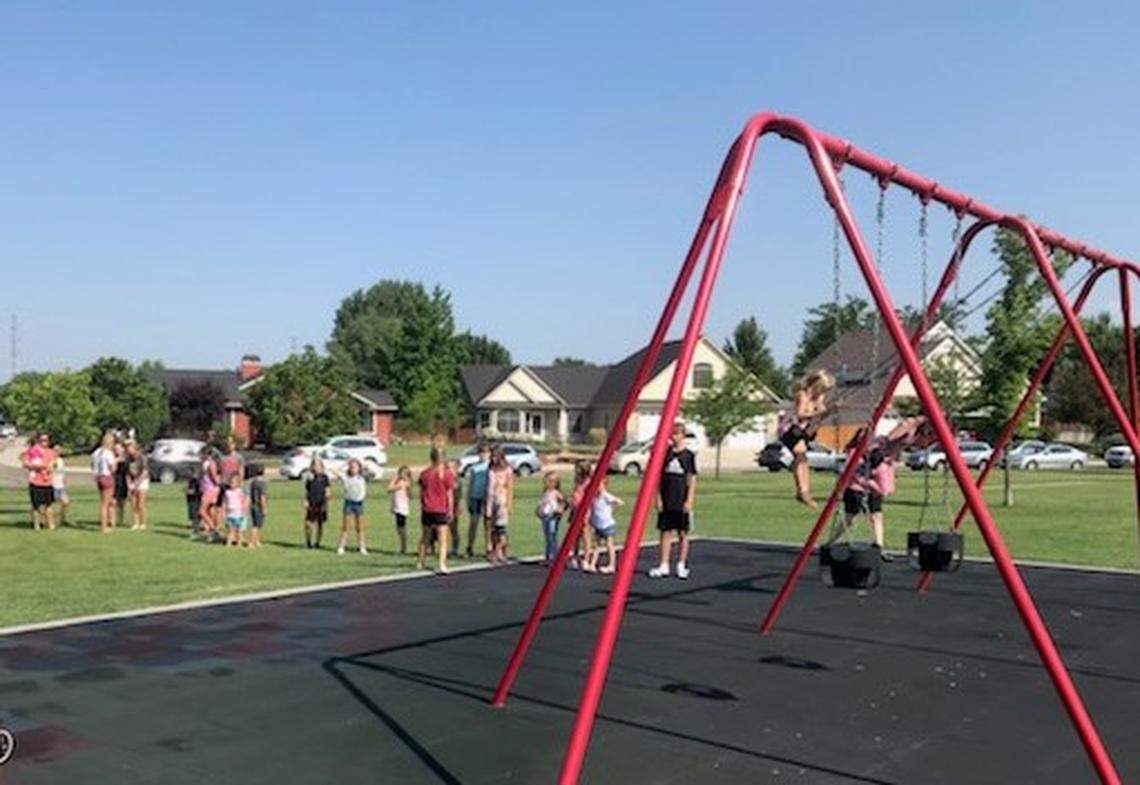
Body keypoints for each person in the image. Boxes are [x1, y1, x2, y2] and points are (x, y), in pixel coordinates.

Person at [834, 416, 929, 561]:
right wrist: (917, 421)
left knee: (876, 515)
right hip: (859, 480)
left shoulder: (908, 436)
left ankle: (879, 547)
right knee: (850, 516)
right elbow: (892, 436)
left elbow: (913, 441)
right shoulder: (860, 451)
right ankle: (831, 542)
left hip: (875, 481)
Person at [778, 370, 836, 508]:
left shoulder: (817, 398)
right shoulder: (802, 395)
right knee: (800, 455)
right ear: (816, 385)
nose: (823, 393)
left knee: (803, 458)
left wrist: (828, 412)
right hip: (790, 429)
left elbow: (820, 415)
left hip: (802, 430)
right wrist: (819, 412)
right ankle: (802, 491)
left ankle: (804, 491)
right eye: (822, 389)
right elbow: (800, 415)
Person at [649, 422, 698, 580]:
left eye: (678, 434)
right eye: (673, 434)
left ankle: (681, 564)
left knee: (683, 532)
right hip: (667, 497)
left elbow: (692, 478)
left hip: (681, 498)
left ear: (683, 435)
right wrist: (658, 497)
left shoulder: (688, 455)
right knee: (665, 532)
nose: (675, 437)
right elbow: (657, 477)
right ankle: (664, 564)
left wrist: (689, 499)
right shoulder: (665, 454)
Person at [417, 447, 455, 573]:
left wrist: (423, 504)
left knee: (425, 537)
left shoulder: (425, 473)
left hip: (428, 508)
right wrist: (450, 510)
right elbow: (449, 493)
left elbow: (421, 492)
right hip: (440, 509)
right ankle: (441, 564)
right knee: (442, 539)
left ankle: (421, 561)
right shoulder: (447, 474)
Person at [585, 476, 621, 574]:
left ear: (604, 486)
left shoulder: (605, 496)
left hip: (608, 524)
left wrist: (612, 507)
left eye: (599, 485)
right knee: (596, 545)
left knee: (609, 544)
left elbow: (618, 502)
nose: (597, 487)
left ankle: (611, 565)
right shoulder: (594, 497)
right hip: (597, 525)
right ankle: (592, 564)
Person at [485, 447, 514, 565]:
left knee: (501, 529)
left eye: (495, 456)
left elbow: (510, 487)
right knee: (493, 529)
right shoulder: (491, 469)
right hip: (491, 500)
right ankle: (493, 550)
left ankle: (499, 551)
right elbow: (488, 488)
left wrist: (509, 503)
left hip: (502, 500)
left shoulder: (507, 470)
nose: (493, 458)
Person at [21, 433, 56, 530]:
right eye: (41, 440)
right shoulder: (32, 451)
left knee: (49, 505)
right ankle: (37, 525)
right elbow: (25, 463)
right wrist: (37, 466)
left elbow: (52, 464)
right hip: (35, 482)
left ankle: (50, 524)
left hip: (47, 482)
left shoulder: (51, 452)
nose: (43, 442)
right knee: (36, 505)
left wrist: (49, 467)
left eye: (45, 440)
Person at [336, 459, 369, 556]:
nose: (353, 469)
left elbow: (375, 472)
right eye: (351, 467)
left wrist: (363, 463)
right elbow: (335, 471)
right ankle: (342, 546)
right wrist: (344, 464)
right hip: (349, 503)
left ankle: (362, 546)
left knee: (360, 527)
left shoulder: (362, 478)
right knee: (345, 526)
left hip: (359, 503)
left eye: (355, 467)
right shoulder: (346, 478)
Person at [464, 444, 491, 558]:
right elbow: (470, 484)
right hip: (475, 497)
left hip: (487, 497)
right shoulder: (474, 467)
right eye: (481, 452)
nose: (483, 455)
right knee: (473, 523)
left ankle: (488, 547)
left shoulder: (490, 467)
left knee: (488, 524)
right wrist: (468, 498)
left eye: (485, 452)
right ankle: (470, 546)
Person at [535, 470, 566, 565]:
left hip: (553, 516)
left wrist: (560, 509)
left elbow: (564, 502)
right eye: (547, 481)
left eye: (551, 481)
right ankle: (548, 556)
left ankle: (555, 557)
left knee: (552, 536)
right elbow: (541, 504)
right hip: (545, 517)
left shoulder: (556, 493)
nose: (548, 483)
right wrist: (538, 510)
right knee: (547, 537)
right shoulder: (545, 493)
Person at [567, 460, 593, 570]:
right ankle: (575, 557)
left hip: (584, 510)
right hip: (575, 509)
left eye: (577, 469)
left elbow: (590, 496)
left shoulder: (589, 482)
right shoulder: (577, 480)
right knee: (575, 535)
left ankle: (586, 559)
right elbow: (575, 494)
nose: (575, 471)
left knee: (585, 534)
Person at [91, 432, 118, 534]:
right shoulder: (108, 453)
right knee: (105, 504)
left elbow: (92, 465)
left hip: (99, 477)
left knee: (110, 501)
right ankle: (103, 527)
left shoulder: (96, 453)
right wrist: (116, 461)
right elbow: (113, 468)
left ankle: (112, 523)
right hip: (107, 476)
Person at [303, 456, 331, 549]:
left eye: (318, 465)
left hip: (321, 503)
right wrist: (306, 501)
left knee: (320, 524)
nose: (316, 467)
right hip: (312, 503)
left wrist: (326, 502)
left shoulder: (324, 477)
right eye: (314, 465)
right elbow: (307, 491)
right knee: (308, 523)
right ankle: (308, 541)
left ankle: (318, 542)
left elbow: (328, 490)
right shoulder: (310, 477)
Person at [126, 441, 150, 531]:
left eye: (129, 448)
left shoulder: (142, 457)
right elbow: (127, 473)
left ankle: (143, 523)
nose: (128, 451)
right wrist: (129, 484)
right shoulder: (128, 459)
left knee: (140, 503)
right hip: (133, 480)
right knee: (133, 503)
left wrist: (137, 484)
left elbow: (144, 472)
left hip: (142, 481)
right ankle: (135, 523)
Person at [197, 447, 221, 538]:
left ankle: (213, 529)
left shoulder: (211, 464)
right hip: (206, 489)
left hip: (210, 489)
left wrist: (218, 484)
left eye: (202, 454)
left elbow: (214, 477)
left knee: (201, 510)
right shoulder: (204, 464)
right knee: (209, 510)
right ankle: (209, 529)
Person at [387, 465, 412, 554]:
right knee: (399, 528)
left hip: (402, 508)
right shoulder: (400, 482)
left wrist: (397, 482)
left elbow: (390, 488)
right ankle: (403, 546)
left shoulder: (403, 483)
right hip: (397, 507)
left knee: (401, 528)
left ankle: (403, 547)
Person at [222, 474, 248, 548]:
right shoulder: (227, 492)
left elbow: (243, 501)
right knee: (230, 530)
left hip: (239, 514)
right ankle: (228, 543)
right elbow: (225, 502)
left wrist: (244, 512)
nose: (231, 484)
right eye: (230, 482)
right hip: (230, 514)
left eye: (233, 483)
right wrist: (224, 512)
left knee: (239, 531)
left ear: (237, 483)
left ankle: (239, 544)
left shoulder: (239, 491)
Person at [248, 463, 268, 549]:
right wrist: (264, 508)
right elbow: (262, 497)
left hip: (252, 505)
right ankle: (251, 542)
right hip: (258, 506)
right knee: (256, 526)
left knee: (258, 524)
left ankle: (257, 541)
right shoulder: (262, 483)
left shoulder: (253, 482)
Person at [50, 442, 69, 526]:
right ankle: (52, 521)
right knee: (52, 505)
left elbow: (63, 471)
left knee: (66, 502)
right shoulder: (50, 460)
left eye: (59, 450)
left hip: (60, 485)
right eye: (55, 450)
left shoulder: (61, 460)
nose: (57, 452)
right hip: (52, 485)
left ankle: (62, 519)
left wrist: (65, 478)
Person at [112, 440, 130, 528]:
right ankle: (113, 521)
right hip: (114, 481)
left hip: (123, 482)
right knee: (113, 502)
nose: (117, 450)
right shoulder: (112, 458)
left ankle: (120, 520)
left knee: (122, 503)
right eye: (116, 449)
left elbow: (127, 473)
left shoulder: (126, 459)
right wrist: (116, 461)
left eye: (119, 449)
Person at [447, 458, 462, 557]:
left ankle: (455, 548)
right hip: (444, 506)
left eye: (450, 468)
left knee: (454, 529)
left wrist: (457, 507)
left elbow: (457, 496)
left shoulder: (457, 481)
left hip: (454, 507)